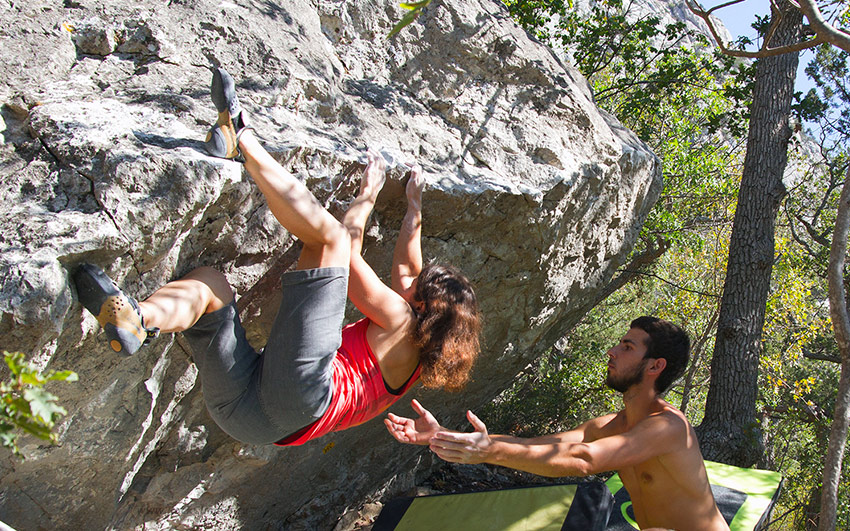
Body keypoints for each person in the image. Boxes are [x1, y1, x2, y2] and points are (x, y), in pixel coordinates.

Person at [72, 68, 482, 446]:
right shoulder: (413, 368)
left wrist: (368, 195)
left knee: (331, 240)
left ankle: (243, 138)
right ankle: (140, 320)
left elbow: (347, 248)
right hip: (249, 419)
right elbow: (409, 269)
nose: (407, 279)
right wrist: (413, 210)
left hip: (306, 392)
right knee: (210, 285)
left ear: (424, 305)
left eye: (418, 284)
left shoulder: (399, 317)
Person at [385, 316, 729, 531]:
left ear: (655, 366)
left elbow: (584, 460)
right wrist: (451, 438)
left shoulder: (669, 428)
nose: (612, 350)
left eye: (627, 346)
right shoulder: (612, 425)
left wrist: (487, 451)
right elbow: (551, 446)